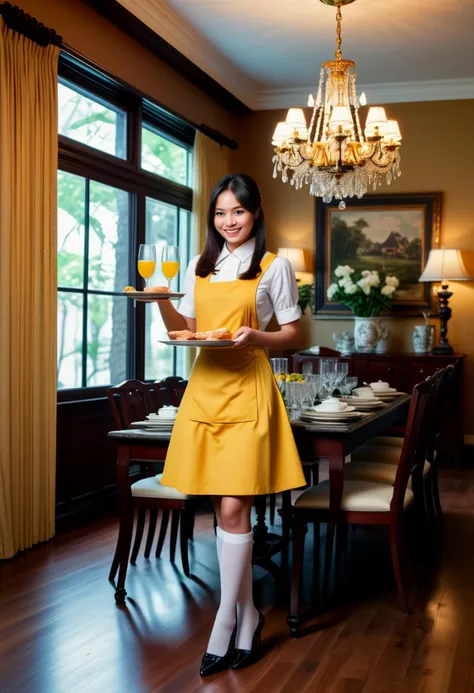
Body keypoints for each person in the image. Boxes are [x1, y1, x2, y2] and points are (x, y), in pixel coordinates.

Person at [156, 173, 306, 676]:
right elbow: (187, 333)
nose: (228, 222)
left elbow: (291, 333)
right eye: (220, 213)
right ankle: (249, 619)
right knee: (223, 515)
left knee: (234, 505)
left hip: (248, 391)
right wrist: (158, 300)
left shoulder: (273, 265)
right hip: (204, 391)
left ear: (255, 213)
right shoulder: (203, 266)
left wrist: (255, 337)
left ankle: (224, 621)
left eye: (237, 212)